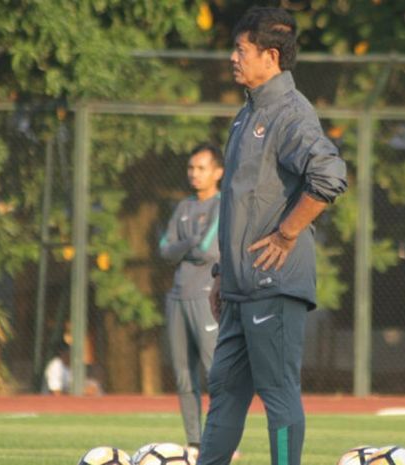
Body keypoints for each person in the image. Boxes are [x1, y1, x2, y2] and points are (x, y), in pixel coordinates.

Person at [197, 7, 348, 465]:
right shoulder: (246, 116)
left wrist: (286, 235)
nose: (232, 58)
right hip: (241, 290)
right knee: (223, 393)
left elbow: (330, 176)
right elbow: (241, 203)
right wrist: (224, 273)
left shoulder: (290, 112)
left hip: (274, 283)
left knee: (278, 395)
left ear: (271, 55)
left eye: (241, 50)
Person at [159, 143, 224, 456]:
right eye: (191, 168)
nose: (194, 174)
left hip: (205, 297)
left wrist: (183, 246)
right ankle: (195, 442)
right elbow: (164, 250)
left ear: (218, 172)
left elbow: (209, 251)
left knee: (215, 372)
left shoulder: (222, 205)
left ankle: (220, 440)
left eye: (201, 168)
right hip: (177, 298)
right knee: (183, 375)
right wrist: (189, 242)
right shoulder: (183, 207)